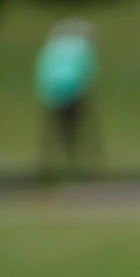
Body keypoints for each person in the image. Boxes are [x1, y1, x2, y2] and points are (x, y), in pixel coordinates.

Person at [34, 20, 98, 177]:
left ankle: (48, 161)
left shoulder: (53, 46)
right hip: (74, 90)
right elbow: (86, 70)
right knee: (73, 127)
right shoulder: (82, 47)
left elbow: (44, 68)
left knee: (52, 128)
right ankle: (73, 160)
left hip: (53, 91)